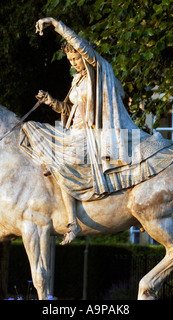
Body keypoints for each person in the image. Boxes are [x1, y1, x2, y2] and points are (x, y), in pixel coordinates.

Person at [24, 18, 151, 244]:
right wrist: (52, 102)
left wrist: (56, 24)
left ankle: (72, 222)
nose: (74, 62)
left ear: (86, 55)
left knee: (59, 162)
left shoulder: (98, 70)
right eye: (70, 59)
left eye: (77, 57)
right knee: (34, 137)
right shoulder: (77, 79)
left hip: (93, 133)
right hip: (74, 130)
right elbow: (70, 109)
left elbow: (80, 44)